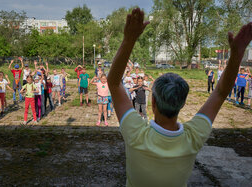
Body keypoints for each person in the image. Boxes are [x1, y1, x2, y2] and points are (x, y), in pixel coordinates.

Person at [107, 8, 252, 186]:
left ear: (153, 102)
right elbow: (221, 92)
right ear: (182, 104)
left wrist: (129, 40)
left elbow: (114, 83)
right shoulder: (193, 137)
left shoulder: (136, 134)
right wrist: (237, 55)